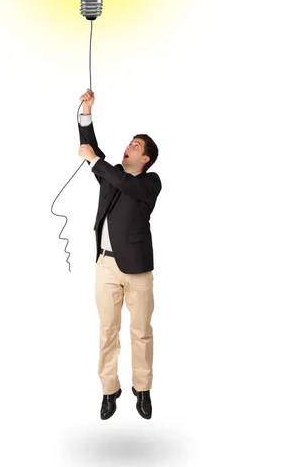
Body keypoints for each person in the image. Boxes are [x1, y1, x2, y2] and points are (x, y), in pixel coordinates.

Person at [78, 88, 162, 420]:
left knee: (141, 330)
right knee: (107, 329)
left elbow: (127, 184)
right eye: (130, 142)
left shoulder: (150, 182)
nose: (129, 147)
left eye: (136, 146)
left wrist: (97, 161)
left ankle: (142, 389)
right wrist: (86, 112)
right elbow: (93, 150)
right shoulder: (111, 177)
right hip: (107, 266)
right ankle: (109, 390)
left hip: (138, 269)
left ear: (146, 159)